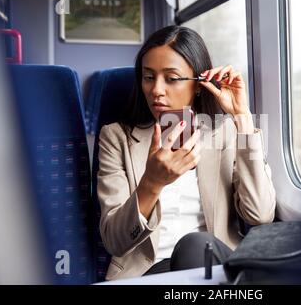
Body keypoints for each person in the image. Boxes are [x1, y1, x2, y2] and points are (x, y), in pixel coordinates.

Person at [97, 25, 276, 281]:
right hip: (146, 272)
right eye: (149, 77)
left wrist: (242, 118)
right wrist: (152, 182)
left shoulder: (226, 132)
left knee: (195, 247)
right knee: (193, 249)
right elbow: (115, 241)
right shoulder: (116, 138)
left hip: (214, 267)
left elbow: (260, 215)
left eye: (171, 78)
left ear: (199, 85)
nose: (157, 90)